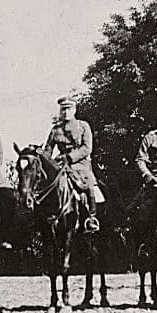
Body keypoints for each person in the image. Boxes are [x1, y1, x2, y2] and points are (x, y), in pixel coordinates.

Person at [44, 96, 100, 233]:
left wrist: (69, 157)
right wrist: (42, 156)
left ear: (74, 110)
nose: (65, 112)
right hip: (61, 165)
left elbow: (87, 148)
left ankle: (91, 218)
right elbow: (48, 150)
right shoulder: (55, 130)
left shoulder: (83, 126)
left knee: (87, 184)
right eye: (63, 109)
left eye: (69, 109)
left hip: (80, 164)